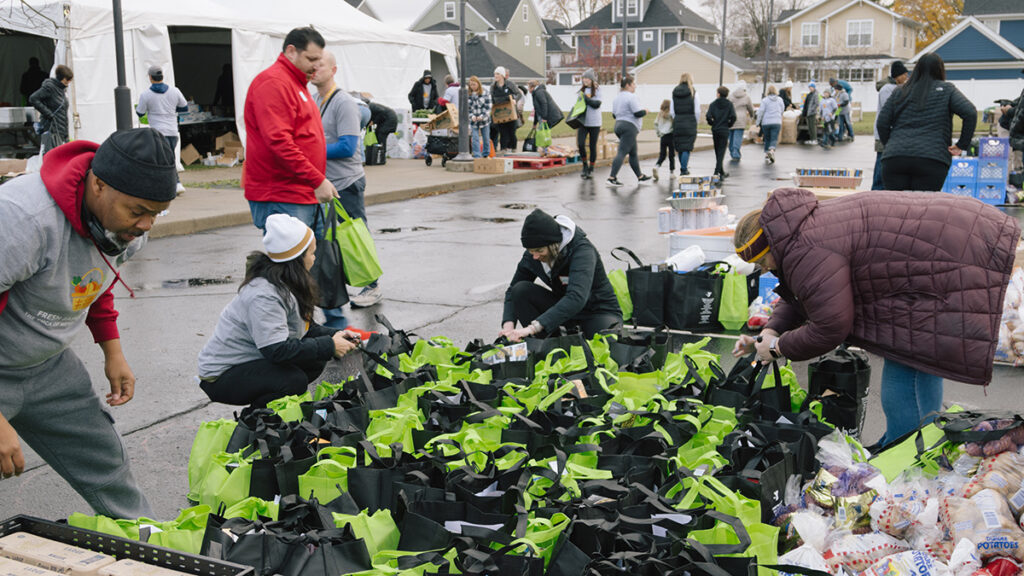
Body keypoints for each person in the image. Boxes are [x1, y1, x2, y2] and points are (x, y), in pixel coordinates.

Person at [731, 188, 1019, 448]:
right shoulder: (798, 229)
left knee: (905, 364)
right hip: (952, 237)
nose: (765, 269)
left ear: (770, 246)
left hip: (951, 253)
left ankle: (906, 453)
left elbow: (829, 326)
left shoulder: (806, 248)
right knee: (921, 358)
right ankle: (914, 442)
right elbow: (804, 290)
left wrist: (778, 348)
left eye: (761, 261)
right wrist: (769, 332)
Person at [0, 128, 179, 518]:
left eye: (157, 213)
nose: (147, 224)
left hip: (47, 365)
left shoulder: (129, 227)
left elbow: (93, 276)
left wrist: (112, 351)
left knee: (106, 462)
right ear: (98, 185)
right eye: (138, 211)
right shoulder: (22, 219)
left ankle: (151, 552)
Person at [243, 27, 348, 330]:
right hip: (282, 193)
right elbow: (280, 142)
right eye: (311, 58)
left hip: (300, 193)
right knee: (288, 269)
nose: (317, 65)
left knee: (305, 266)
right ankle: (283, 332)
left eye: (320, 59)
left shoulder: (298, 84)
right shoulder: (274, 84)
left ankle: (308, 327)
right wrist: (317, 180)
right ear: (291, 51)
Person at [197, 214, 360, 408]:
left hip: (252, 360)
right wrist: (328, 345)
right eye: (311, 253)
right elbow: (276, 350)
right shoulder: (264, 295)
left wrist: (336, 336)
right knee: (293, 380)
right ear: (297, 260)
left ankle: (274, 410)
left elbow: (305, 329)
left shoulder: (285, 281)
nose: (314, 258)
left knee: (315, 360)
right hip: (221, 375)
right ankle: (256, 422)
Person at [313, 50, 382, 309]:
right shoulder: (313, 99)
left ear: (333, 70)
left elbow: (347, 146)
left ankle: (372, 285)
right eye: (312, 65)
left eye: (320, 65)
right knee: (328, 239)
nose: (314, 70)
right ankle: (331, 287)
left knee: (355, 236)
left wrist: (312, 149)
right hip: (324, 182)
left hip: (346, 182)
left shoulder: (343, 103)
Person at [500, 209, 621, 340]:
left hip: (597, 312)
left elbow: (576, 298)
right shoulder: (534, 253)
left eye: (539, 251)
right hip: (565, 312)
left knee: (601, 348)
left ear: (553, 245)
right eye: (530, 251)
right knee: (520, 290)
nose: (534, 256)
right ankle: (547, 343)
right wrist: (508, 327)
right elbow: (512, 291)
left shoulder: (582, 251)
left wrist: (532, 328)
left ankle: (551, 336)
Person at [877, 52, 976, 192]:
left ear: (917, 69)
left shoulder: (900, 91)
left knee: (897, 209)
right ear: (940, 70)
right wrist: (961, 145)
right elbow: (970, 113)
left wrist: (891, 145)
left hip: (895, 158)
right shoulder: (947, 90)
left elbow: (882, 123)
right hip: (932, 158)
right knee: (922, 209)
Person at [135, 65, 188, 195]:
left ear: (150, 78)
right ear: (162, 77)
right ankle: (174, 184)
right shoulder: (175, 91)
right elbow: (184, 107)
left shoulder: (146, 94)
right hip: (172, 131)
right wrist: (171, 110)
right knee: (169, 157)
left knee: (159, 159)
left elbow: (140, 113)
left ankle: (173, 184)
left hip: (157, 132)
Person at [871, 61, 909, 190]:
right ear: (898, 76)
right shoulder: (887, 89)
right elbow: (892, 109)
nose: (906, 77)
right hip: (883, 133)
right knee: (881, 163)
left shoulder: (895, 88)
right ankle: (876, 190)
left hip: (892, 133)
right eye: (904, 74)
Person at [607, 75, 651, 187]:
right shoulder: (631, 97)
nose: (635, 86)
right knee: (622, 152)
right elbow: (637, 112)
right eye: (634, 84)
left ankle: (640, 176)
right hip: (629, 127)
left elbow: (613, 114)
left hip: (618, 125)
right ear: (628, 85)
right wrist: (645, 111)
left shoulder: (617, 98)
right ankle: (611, 178)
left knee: (633, 152)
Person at [29, 64, 73, 155]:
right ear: (63, 79)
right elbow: (33, 98)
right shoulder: (50, 87)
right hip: (51, 128)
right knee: (51, 155)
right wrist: (48, 113)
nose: (69, 82)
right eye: (68, 80)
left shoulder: (61, 90)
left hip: (61, 130)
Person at [576, 69, 603, 180]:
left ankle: (591, 168)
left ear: (591, 79)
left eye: (587, 78)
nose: (584, 80)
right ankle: (584, 166)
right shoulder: (581, 90)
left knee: (592, 146)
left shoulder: (597, 89)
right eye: (583, 78)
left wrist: (586, 99)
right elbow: (579, 105)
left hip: (594, 122)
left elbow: (596, 104)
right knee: (580, 144)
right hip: (583, 122)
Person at [705, 86, 736, 179]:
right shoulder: (729, 104)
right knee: (721, 151)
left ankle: (720, 171)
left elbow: (708, 116)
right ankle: (717, 172)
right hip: (724, 129)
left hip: (716, 129)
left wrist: (712, 123)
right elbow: (733, 116)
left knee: (717, 150)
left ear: (718, 94)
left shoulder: (713, 104)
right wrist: (729, 124)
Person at [671, 73, 700, 176]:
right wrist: (695, 121)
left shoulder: (674, 92)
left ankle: (683, 167)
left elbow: (672, 111)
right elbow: (697, 110)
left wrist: (676, 119)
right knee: (687, 147)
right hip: (690, 121)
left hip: (678, 121)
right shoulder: (693, 92)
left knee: (679, 147)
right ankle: (684, 169)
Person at [528, 80, 564, 155]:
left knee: (544, 134)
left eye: (528, 87)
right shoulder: (536, 93)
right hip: (543, 116)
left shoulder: (539, 92)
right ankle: (545, 150)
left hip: (548, 116)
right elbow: (536, 109)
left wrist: (544, 118)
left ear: (532, 87)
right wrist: (535, 123)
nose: (528, 89)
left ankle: (546, 151)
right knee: (543, 134)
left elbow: (544, 104)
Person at [490, 67, 519, 154]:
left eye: (498, 74)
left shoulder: (510, 84)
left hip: (510, 111)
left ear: (502, 75)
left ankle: (513, 148)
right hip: (499, 112)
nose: (496, 76)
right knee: (502, 131)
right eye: (495, 74)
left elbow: (518, 94)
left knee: (511, 131)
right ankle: (503, 148)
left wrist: (515, 99)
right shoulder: (493, 86)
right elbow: (491, 97)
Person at [756, 85, 784, 164]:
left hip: (766, 122)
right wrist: (779, 115)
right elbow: (782, 110)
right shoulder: (780, 100)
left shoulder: (765, 100)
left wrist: (758, 122)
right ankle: (771, 151)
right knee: (774, 138)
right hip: (776, 122)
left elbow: (761, 112)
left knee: (767, 138)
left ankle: (766, 154)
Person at [727, 81, 754, 161]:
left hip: (731, 118)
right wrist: (752, 115)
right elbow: (750, 108)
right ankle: (736, 153)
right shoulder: (746, 97)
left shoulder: (731, 96)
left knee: (731, 136)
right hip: (741, 119)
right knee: (738, 137)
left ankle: (732, 151)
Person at [467, 76, 492, 158]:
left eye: (474, 84)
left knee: (486, 138)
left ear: (478, 84)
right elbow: (468, 108)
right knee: (475, 139)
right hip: (474, 120)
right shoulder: (469, 95)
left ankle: (485, 154)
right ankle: (477, 155)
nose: (472, 86)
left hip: (484, 120)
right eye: (471, 85)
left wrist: (482, 116)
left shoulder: (485, 93)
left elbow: (488, 107)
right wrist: (472, 116)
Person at [652, 99, 674, 181]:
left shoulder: (659, 115)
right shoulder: (671, 115)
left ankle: (656, 166)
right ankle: (672, 172)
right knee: (671, 155)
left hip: (663, 136)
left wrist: (659, 133)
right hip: (671, 136)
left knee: (662, 154)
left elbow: (655, 124)